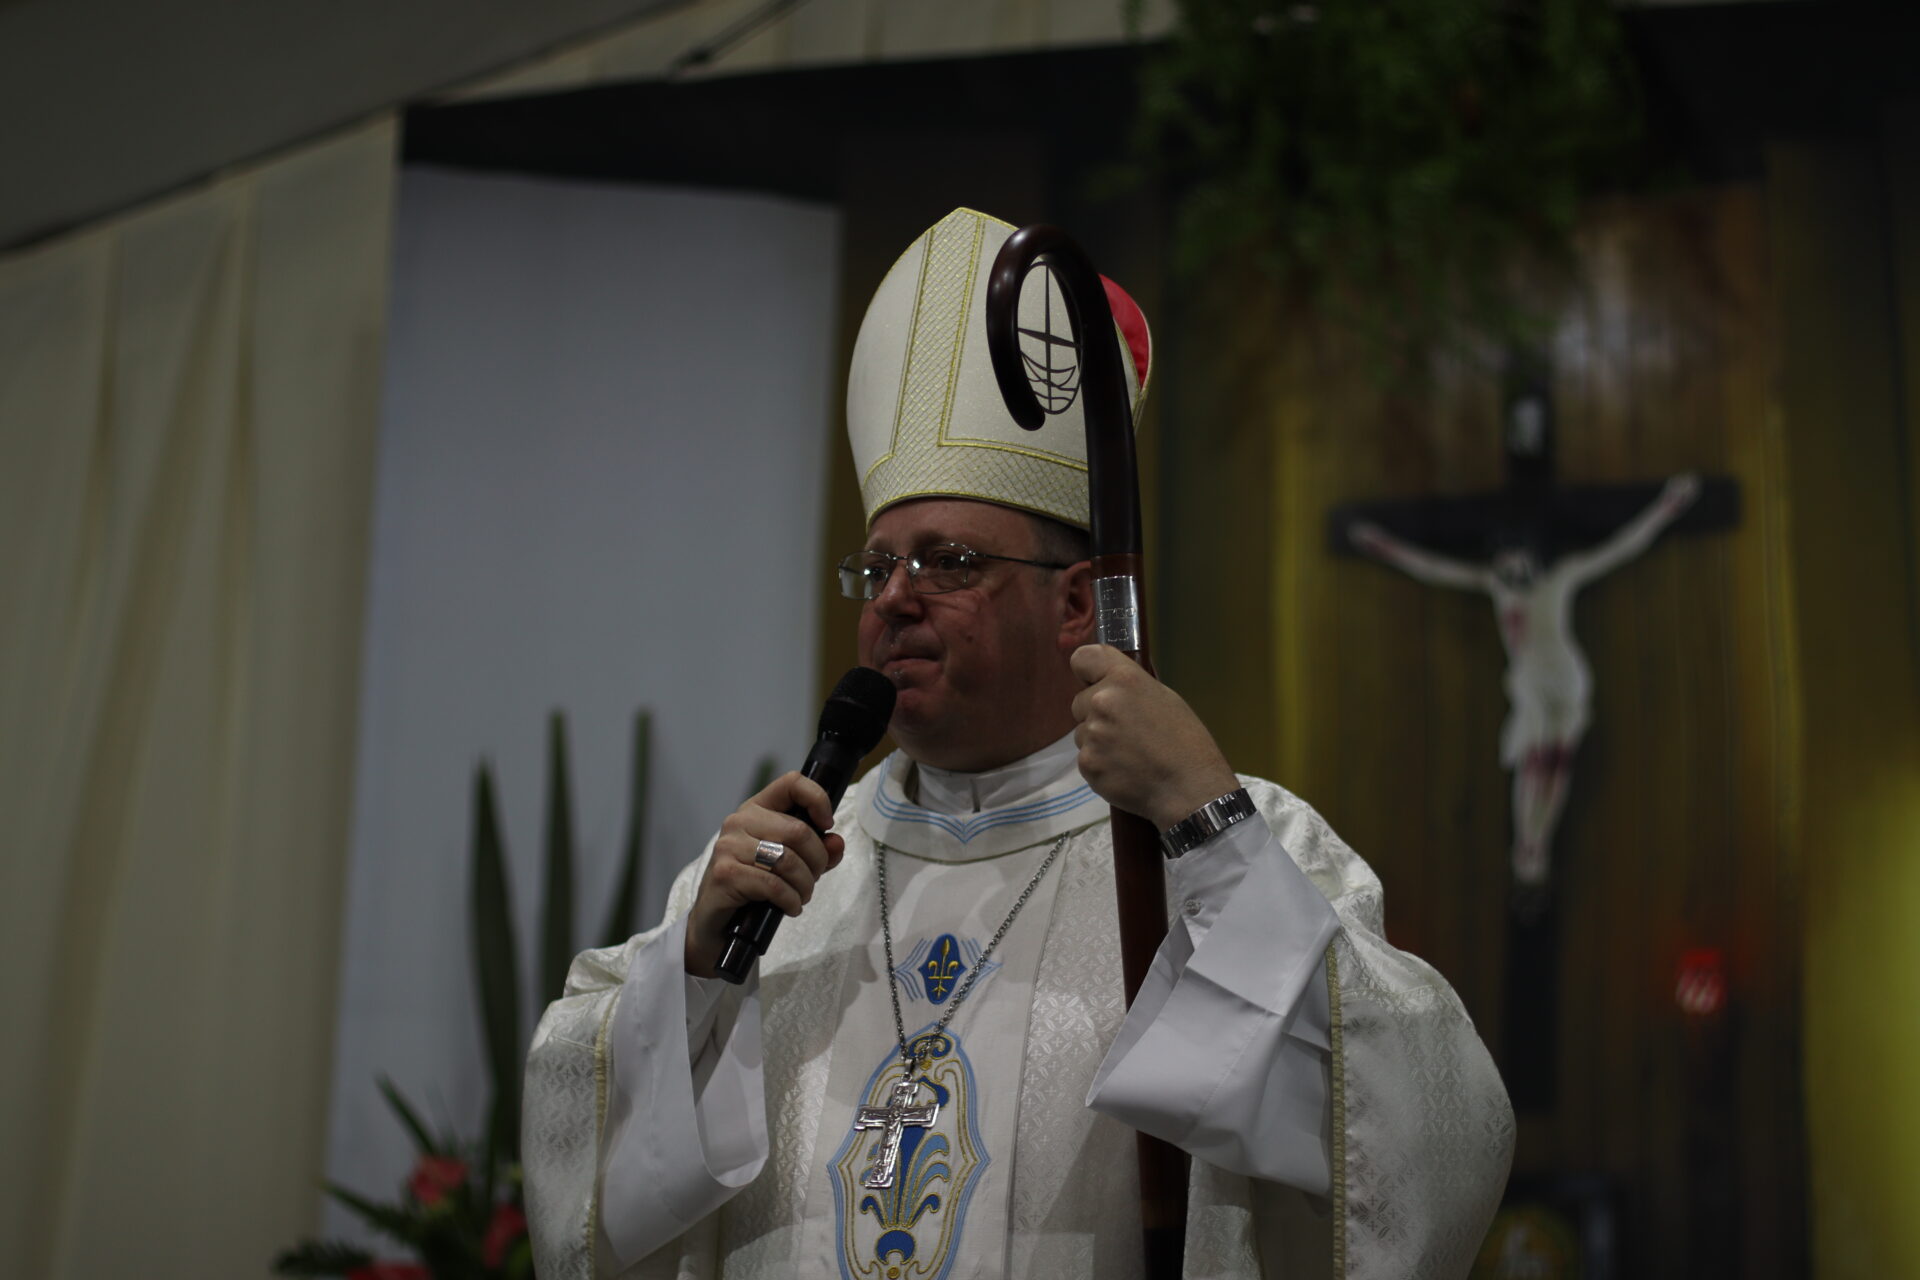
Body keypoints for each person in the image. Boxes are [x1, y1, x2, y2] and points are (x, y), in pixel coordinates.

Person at [523, 208, 1514, 1280]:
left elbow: (1424, 1141)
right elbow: (585, 1175)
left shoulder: (1225, 841)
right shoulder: (785, 872)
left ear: (1077, 603)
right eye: (877, 568)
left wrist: (1206, 823)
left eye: (947, 562)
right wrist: (693, 971)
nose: (894, 600)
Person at [1349, 471, 1699, 891]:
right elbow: (1435, 569)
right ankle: (1527, 842)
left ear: (1531, 556)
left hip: (1567, 677)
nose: (1509, 566)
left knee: (1557, 759)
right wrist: (1384, 547)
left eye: (1515, 557)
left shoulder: (1560, 579)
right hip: (1530, 679)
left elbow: (1621, 548)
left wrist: (1667, 506)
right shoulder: (1498, 587)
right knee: (1534, 755)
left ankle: (1539, 843)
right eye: (1502, 559)